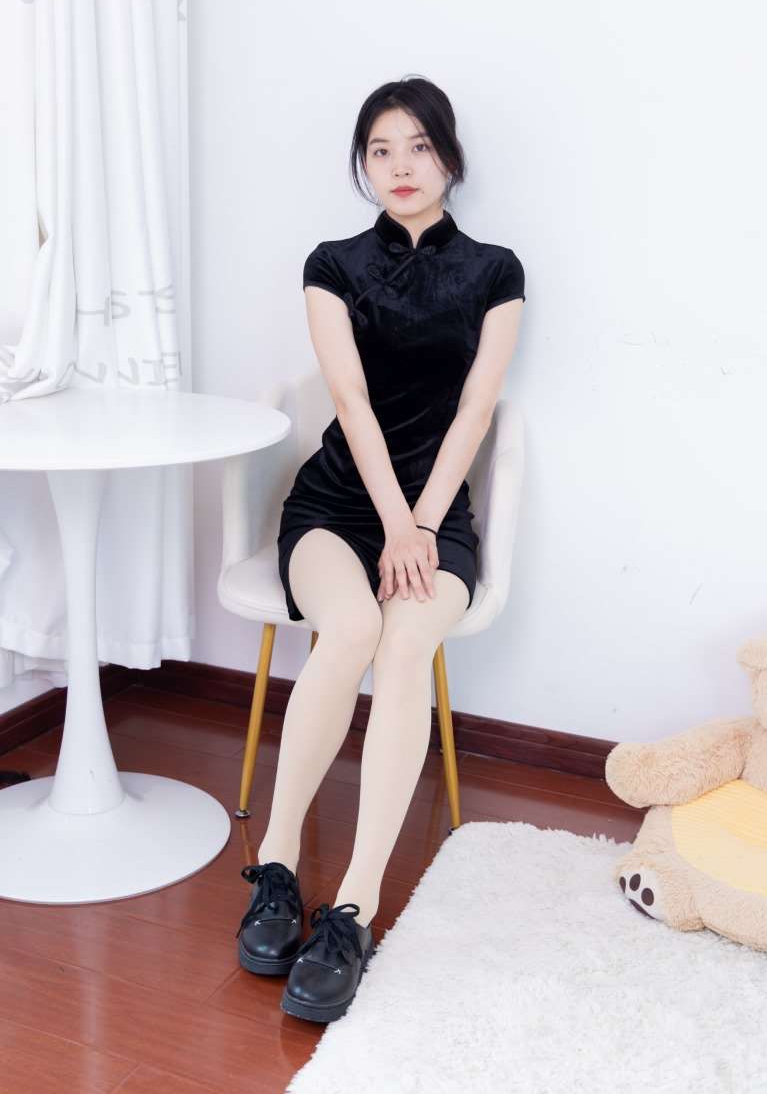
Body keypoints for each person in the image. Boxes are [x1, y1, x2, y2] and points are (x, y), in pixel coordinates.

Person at [235, 74, 526, 1023]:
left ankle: (352, 909)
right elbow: (352, 404)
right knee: (353, 625)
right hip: (336, 507)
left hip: (437, 517)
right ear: (362, 165)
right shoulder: (332, 264)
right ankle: (278, 865)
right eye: (379, 150)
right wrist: (390, 521)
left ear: (449, 156)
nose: (400, 166)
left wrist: (424, 525)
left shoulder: (495, 272)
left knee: (405, 642)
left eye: (418, 146)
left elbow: (475, 411)